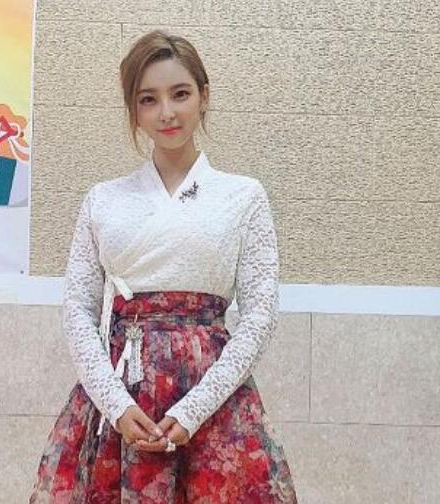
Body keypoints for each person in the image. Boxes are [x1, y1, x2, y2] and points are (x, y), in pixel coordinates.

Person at [30, 30, 297, 503]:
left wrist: (195, 409)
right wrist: (115, 405)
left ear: (203, 97)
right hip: (119, 399)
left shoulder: (243, 197)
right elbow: (78, 310)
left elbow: (259, 315)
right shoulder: (103, 200)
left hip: (213, 401)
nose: (166, 112)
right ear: (134, 111)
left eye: (180, 94)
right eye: (148, 99)